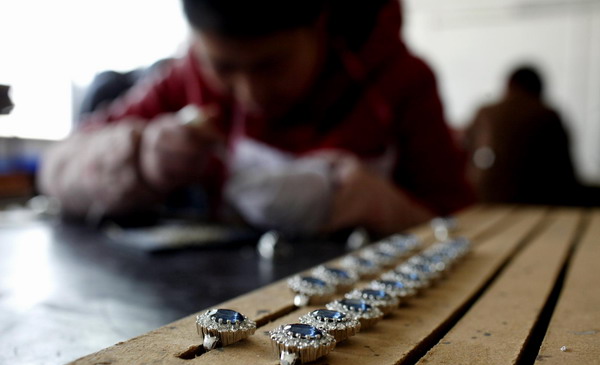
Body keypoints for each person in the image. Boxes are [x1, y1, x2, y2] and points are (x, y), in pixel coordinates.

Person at [39, 0, 474, 236]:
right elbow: (57, 167)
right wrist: (140, 158)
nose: (248, 94)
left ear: (320, 22)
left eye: (271, 66)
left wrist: (390, 210)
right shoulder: (187, 76)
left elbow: (470, 226)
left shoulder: (399, 80)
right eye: (224, 68)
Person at [463, 66, 580, 205]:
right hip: (535, 202)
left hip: (483, 199)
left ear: (508, 85)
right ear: (539, 90)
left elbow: (463, 152)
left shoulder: (484, 112)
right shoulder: (547, 115)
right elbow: (564, 170)